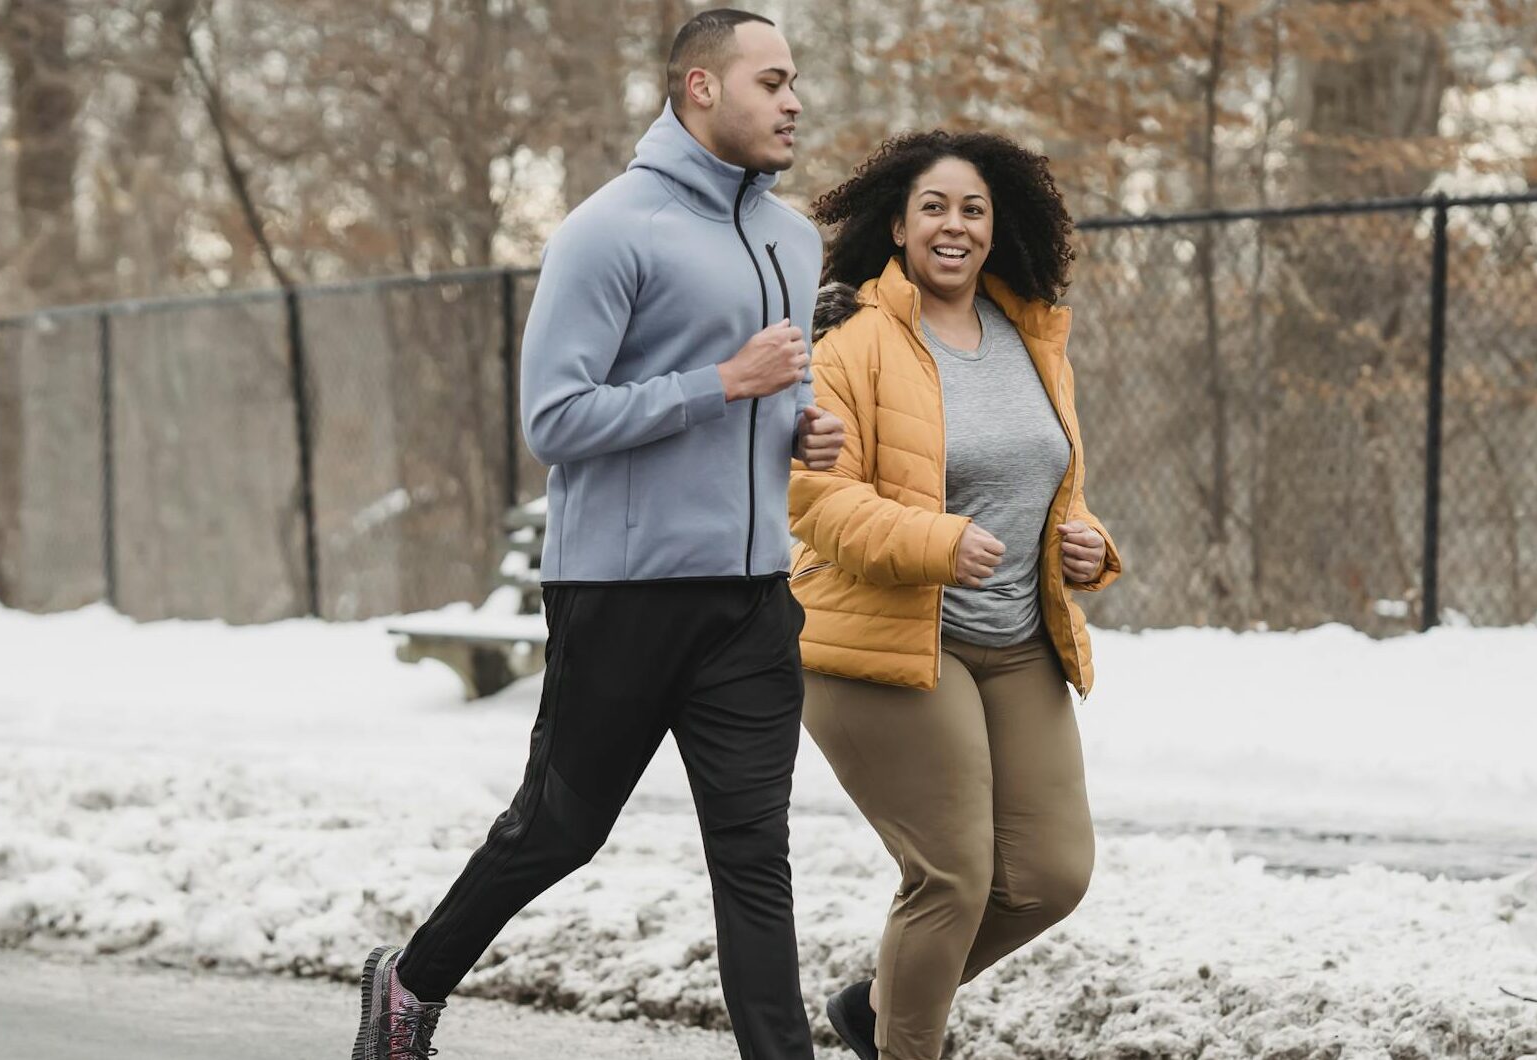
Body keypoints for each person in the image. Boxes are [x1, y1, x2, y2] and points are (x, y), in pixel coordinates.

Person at [352, 10, 845, 1060]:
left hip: (753, 596)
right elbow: (556, 421)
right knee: (559, 832)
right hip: (622, 594)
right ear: (701, 88)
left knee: (755, 855)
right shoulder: (606, 230)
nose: (793, 99)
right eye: (772, 80)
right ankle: (409, 983)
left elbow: (754, 403)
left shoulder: (793, 238)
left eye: (794, 80)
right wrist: (727, 384)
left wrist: (797, 431)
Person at [787, 131, 1124, 1060]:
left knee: (1051, 875)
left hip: (1017, 641)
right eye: (934, 206)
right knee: (954, 877)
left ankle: (872, 1009)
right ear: (896, 225)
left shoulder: (1032, 339)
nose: (955, 225)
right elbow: (816, 501)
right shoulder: (851, 343)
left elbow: (1048, 481)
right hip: (884, 643)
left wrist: (1086, 546)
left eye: (973, 209)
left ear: (995, 228)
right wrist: (937, 541)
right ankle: (906, 1046)